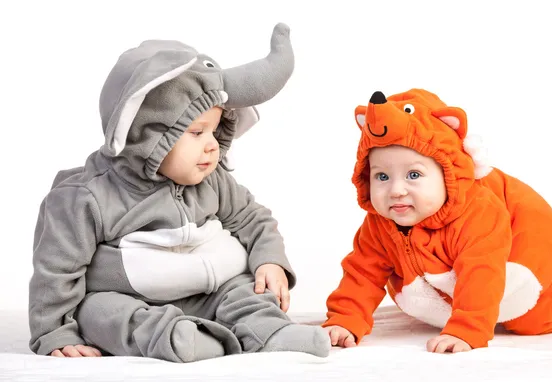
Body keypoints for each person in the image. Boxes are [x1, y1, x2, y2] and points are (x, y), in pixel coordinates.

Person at [29, 23, 330, 362]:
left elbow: (252, 218)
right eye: (197, 132)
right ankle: (174, 338)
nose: (213, 146)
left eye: (215, 131)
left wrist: (271, 260)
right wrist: (55, 332)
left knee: (247, 290)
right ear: (146, 135)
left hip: (211, 290)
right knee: (99, 313)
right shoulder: (88, 198)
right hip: (131, 297)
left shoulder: (213, 180)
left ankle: (270, 331)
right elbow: (56, 270)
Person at [323, 88, 552, 353]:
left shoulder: (478, 214)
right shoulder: (379, 225)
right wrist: (346, 320)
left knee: (526, 316)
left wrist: (466, 330)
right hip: (438, 282)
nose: (396, 190)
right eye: (382, 177)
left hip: (511, 257)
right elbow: (363, 273)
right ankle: (460, 312)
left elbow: (482, 272)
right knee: (433, 305)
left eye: (414, 175)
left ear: (448, 174)